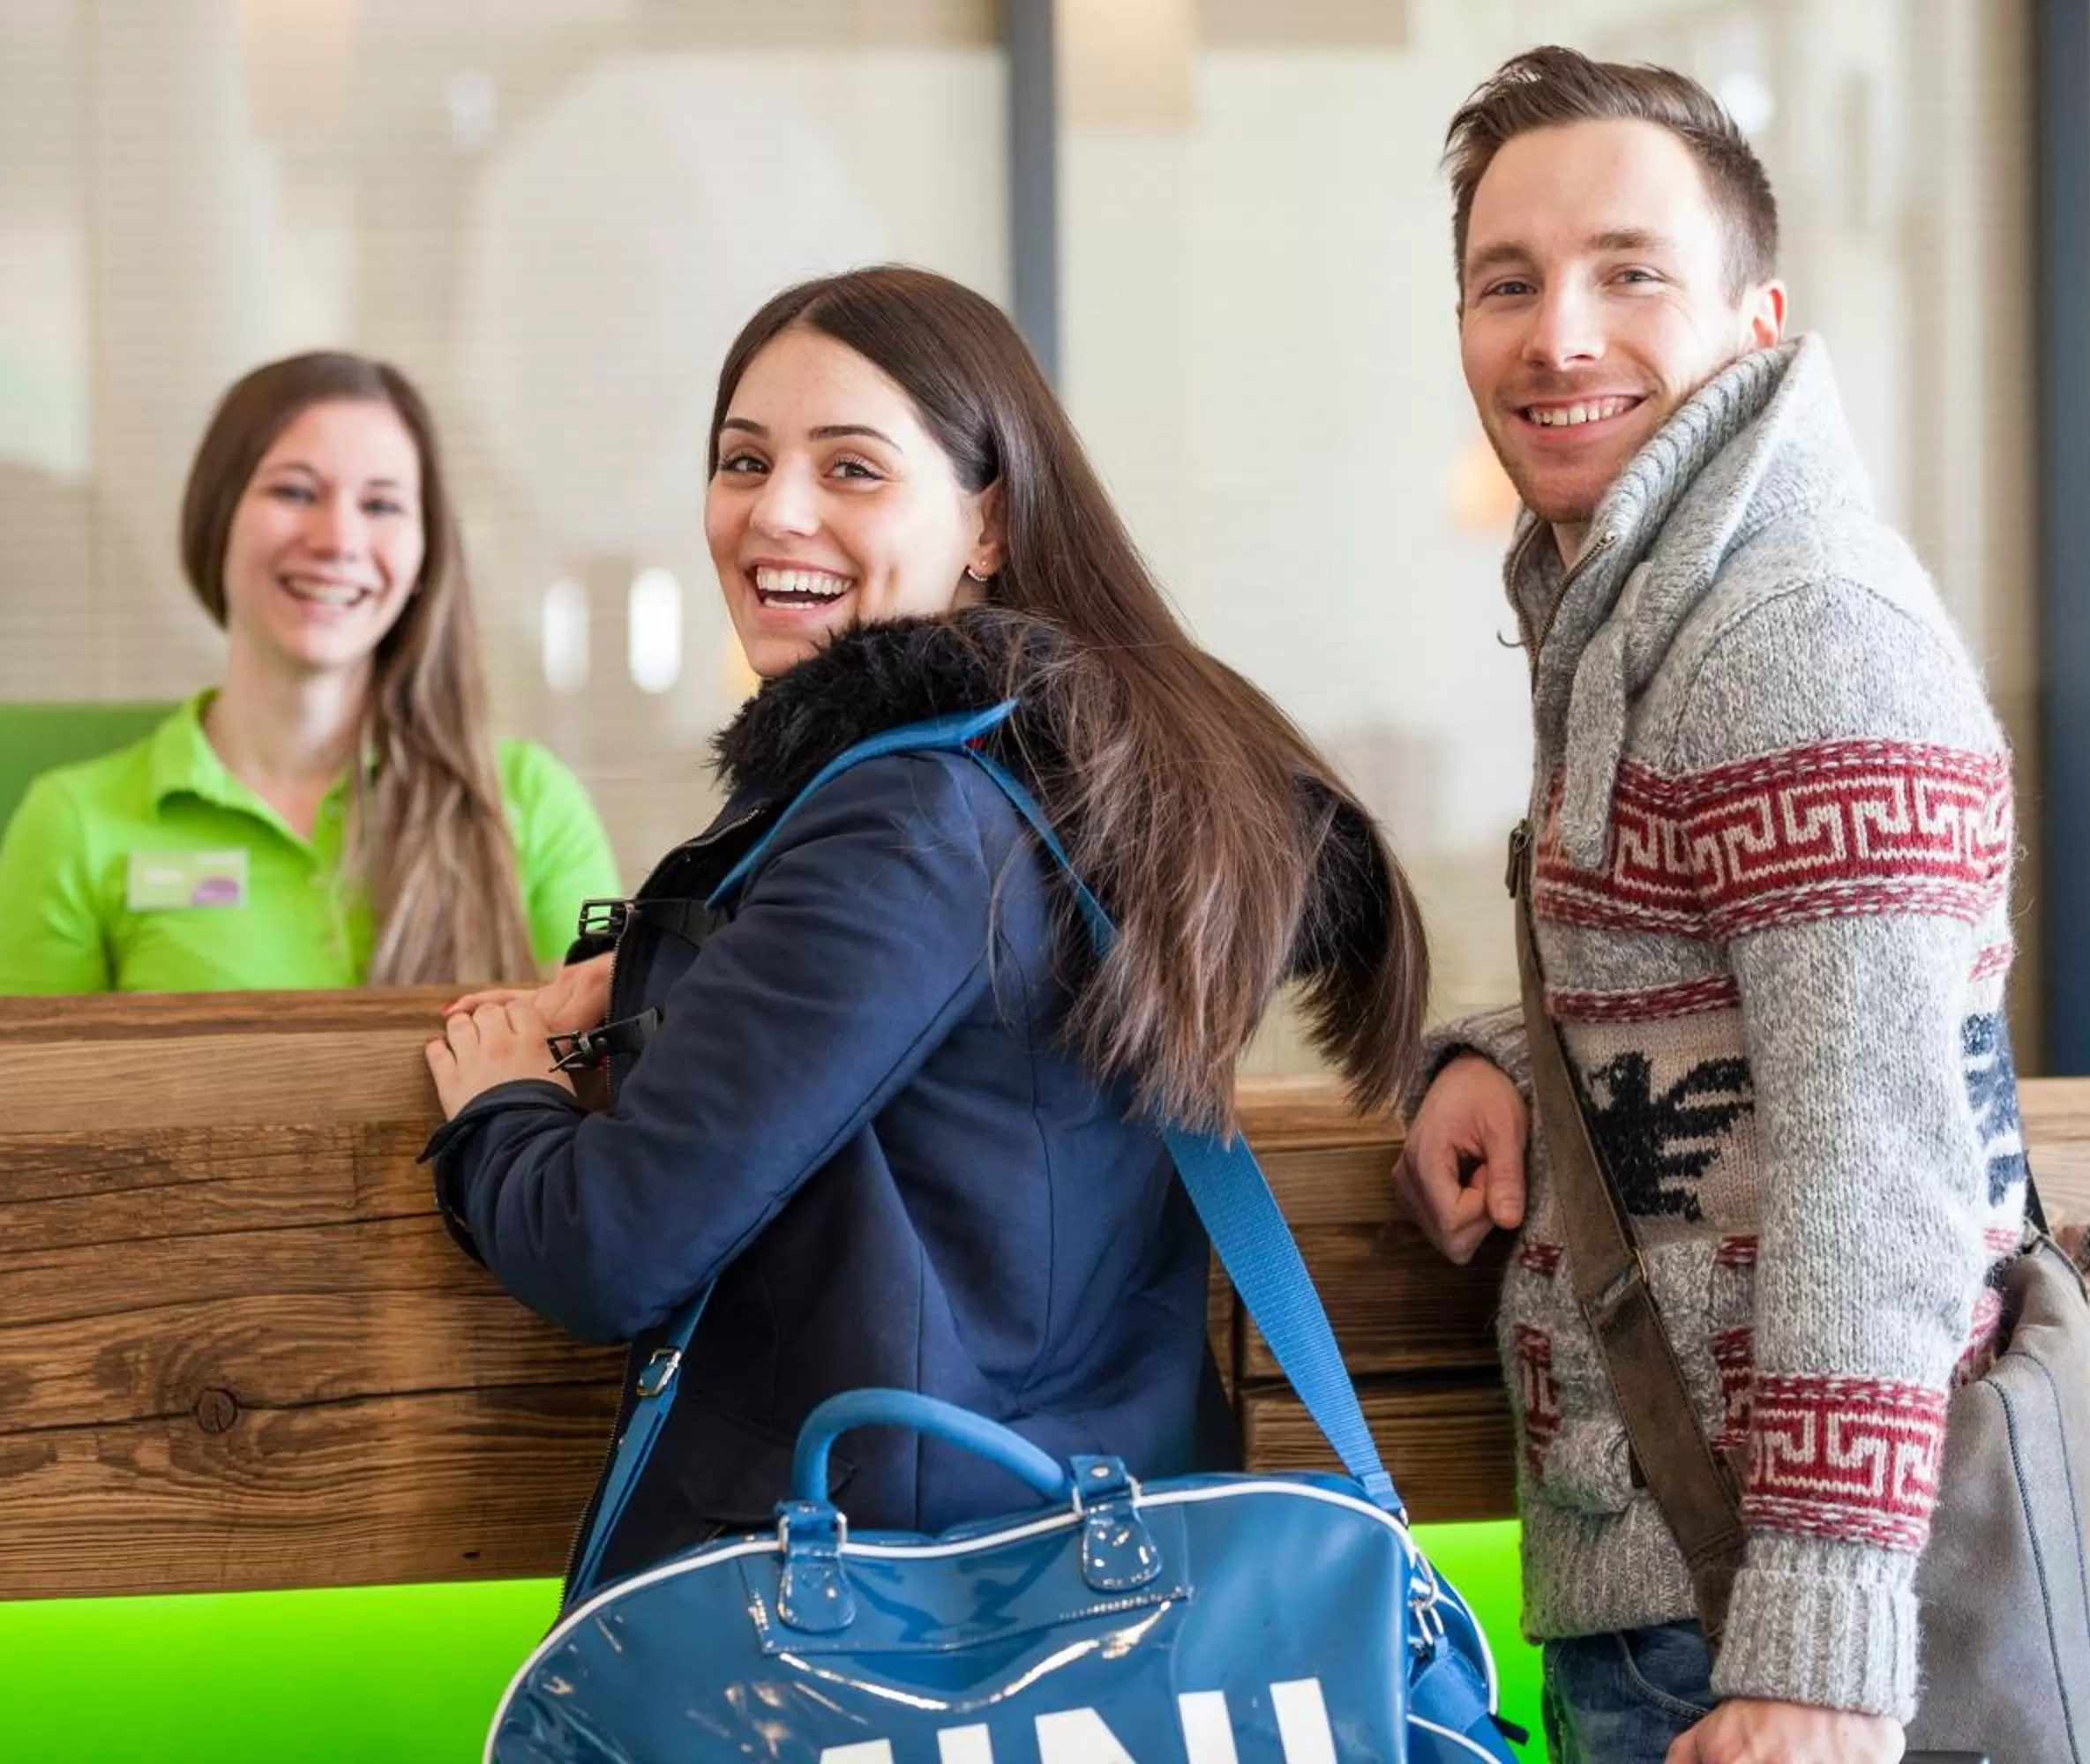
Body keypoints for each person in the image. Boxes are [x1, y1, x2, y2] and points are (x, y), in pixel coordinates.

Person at [421, 265, 1427, 1587]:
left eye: (851, 469)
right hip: (1079, 1581)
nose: (775, 511)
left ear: (988, 523)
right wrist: (690, 969)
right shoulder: (1063, 792)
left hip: (877, 1619)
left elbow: (606, 1245)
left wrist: (496, 1103)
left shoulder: (911, 820)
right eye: (743, 459)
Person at [1392, 47, 2028, 1764]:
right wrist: (1506, 1060)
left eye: (1629, 272)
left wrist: (1818, 1650)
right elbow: (1732, 1007)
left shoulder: (1794, 636)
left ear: (1759, 319)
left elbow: (1879, 1155)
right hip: (1686, 1598)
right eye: (1506, 284)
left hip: (1763, 1632)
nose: (1561, 335)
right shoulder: (1652, 608)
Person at [0, 351, 617, 995]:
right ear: (216, 517)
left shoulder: (530, 804)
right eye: (294, 491)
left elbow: (597, 1077)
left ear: (425, 554)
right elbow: (27, 1096)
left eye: (382, 504)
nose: (338, 538)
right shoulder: (72, 822)